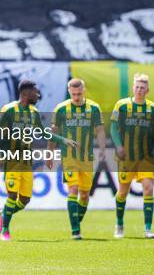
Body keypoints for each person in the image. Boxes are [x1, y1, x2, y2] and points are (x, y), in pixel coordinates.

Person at [0, 80, 77, 241]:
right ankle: (5, 230)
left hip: (26, 162)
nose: (37, 95)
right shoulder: (9, 110)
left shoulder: (34, 112)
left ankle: (3, 214)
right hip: (11, 161)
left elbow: (43, 133)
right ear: (25, 93)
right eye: (34, 92)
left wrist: (62, 140)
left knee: (24, 200)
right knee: (12, 196)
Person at [47, 78, 109, 239]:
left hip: (87, 158)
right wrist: (49, 153)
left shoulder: (94, 108)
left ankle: (76, 221)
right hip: (68, 157)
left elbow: (100, 130)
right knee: (73, 189)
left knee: (85, 195)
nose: (76, 97)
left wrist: (102, 149)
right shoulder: (61, 109)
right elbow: (53, 133)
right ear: (69, 91)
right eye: (73, 94)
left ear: (84, 90)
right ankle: (76, 231)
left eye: (79, 93)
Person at [111, 73, 154, 239]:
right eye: (137, 86)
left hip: (146, 156)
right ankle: (119, 223)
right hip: (126, 157)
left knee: (149, 188)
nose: (139, 89)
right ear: (133, 88)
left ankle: (148, 228)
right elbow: (113, 128)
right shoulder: (121, 105)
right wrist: (119, 145)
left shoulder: (152, 108)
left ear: (147, 90)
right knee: (122, 192)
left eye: (142, 87)